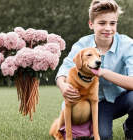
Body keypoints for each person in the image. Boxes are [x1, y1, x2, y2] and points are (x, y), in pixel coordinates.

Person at [55, 0, 133, 139]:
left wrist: (103, 72)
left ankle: (131, 128)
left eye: (112, 23)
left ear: (116, 24)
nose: (108, 28)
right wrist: (62, 85)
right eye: (102, 23)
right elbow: (65, 68)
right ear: (91, 24)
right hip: (95, 103)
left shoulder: (127, 44)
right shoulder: (83, 44)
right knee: (103, 136)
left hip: (122, 99)